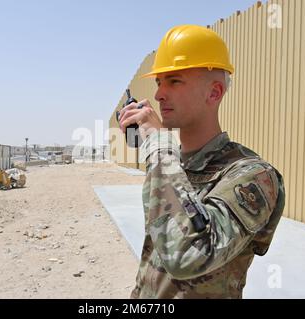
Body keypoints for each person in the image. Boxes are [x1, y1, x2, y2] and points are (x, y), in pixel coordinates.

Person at [117, 25, 285, 299]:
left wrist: (159, 147)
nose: (159, 94)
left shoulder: (252, 174)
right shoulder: (172, 165)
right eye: (159, 82)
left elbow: (187, 255)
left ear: (214, 93)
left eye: (174, 81)